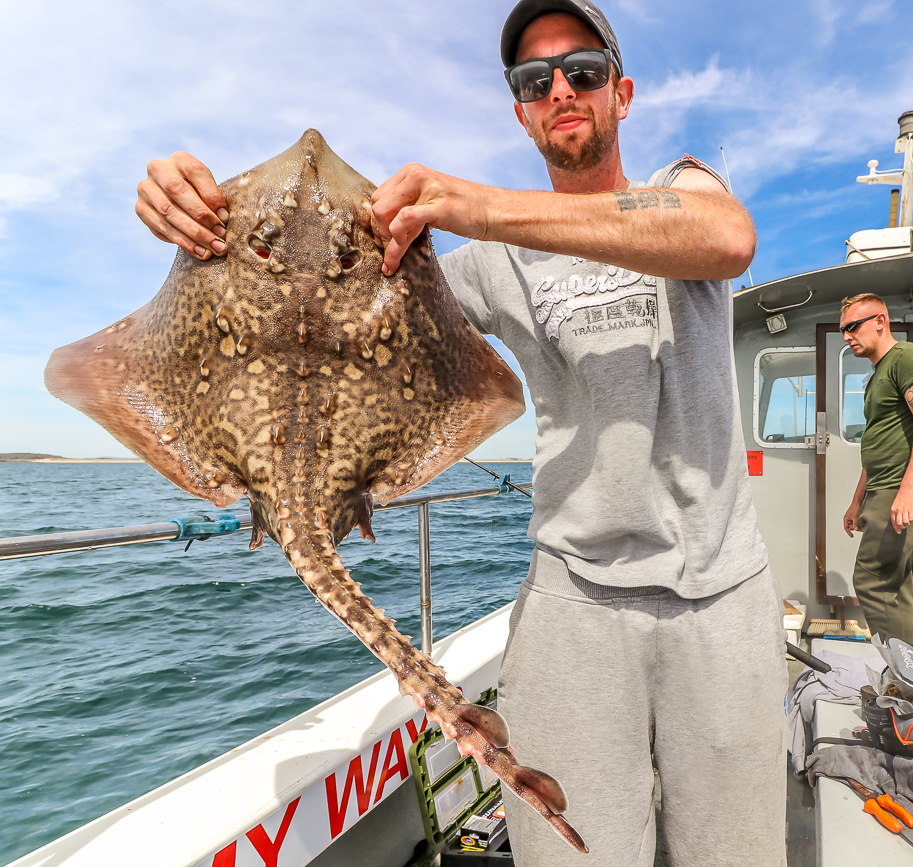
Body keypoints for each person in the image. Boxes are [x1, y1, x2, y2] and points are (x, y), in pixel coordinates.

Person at [133, 2, 788, 865]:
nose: (561, 88)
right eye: (534, 80)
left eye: (583, 71)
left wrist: (477, 206)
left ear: (620, 94)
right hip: (574, 594)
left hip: (720, 593)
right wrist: (191, 216)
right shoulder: (481, 269)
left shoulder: (683, 188)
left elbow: (725, 236)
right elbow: (330, 319)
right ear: (520, 110)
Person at [840, 293, 913, 644]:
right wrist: (857, 502)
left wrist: (909, 489)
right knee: (893, 582)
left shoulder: (908, 357)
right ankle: (909, 669)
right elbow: (877, 444)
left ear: (880, 321)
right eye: (843, 329)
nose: (846, 336)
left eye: (853, 326)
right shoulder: (878, 374)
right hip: (882, 487)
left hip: (901, 486)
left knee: (870, 578)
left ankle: (899, 676)